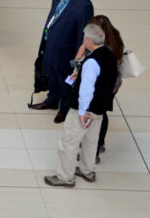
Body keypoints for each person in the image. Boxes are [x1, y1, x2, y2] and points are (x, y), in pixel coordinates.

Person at [44, 24, 118, 187]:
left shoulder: (92, 62)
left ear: (89, 40)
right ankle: (87, 170)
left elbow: (87, 89)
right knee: (91, 141)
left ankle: (65, 176)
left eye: (84, 37)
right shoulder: (109, 55)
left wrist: (82, 111)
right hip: (99, 109)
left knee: (68, 143)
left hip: (85, 109)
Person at [30, 0, 94, 124]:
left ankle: (64, 109)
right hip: (50, 43)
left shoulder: (83, 5)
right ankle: (52, 100)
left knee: (65, 81)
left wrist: (77, 58)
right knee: (51, 73)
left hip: (66, 51)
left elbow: (82, 33)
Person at [71, 15, 124, 163]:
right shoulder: (116, 40)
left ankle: (92, 148)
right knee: (102, 112)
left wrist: (82, 49)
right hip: (112, 84)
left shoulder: (96, 49)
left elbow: (79, 65)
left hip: (98, 85)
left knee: (92, 113)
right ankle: (99, 144)